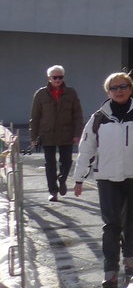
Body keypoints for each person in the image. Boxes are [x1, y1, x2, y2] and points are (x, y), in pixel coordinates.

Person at [72, 72, 133, 288]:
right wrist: (79, 178)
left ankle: (129, 255)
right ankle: (110, 270)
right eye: (114, 88)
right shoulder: (98, 118)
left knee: (129, 221)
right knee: (111, 224)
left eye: (123, 86)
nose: (119, 91)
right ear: (108, 92)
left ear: (130, 89)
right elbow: (86, 150)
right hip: (107, 178)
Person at [29, 64, 84, 202]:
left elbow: (77, 115)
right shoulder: (41, 94)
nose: (58, 80)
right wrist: (33, 136)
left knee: (67, 161)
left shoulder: (71, 93)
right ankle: (53, 191)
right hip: (47, 134)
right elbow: (35, 117)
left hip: (66, 133)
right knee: (50, 165)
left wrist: (77, 133)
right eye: (55, 77)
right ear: (49, 78)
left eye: (60, 77)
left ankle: (62, 179)